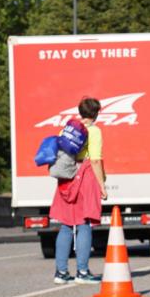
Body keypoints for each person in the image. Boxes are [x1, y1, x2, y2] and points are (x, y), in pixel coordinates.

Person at [50, 97, 106, 283]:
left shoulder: (66, 129)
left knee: (66, 225)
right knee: (84, 224)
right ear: (96, 113)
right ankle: (82, 272)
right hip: (85, 176)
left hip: (66, 178)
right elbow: (96, 160)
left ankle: (61, 272)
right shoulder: (94, 131)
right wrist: (102, 185)